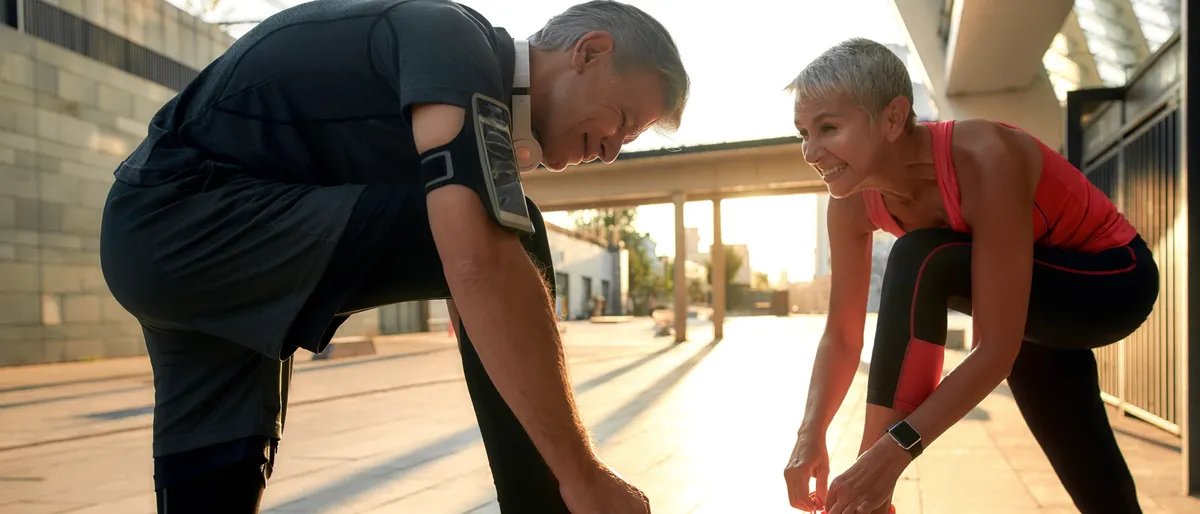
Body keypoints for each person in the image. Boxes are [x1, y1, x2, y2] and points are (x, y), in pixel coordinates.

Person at [98, 1, 689, 512]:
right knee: (511, 231)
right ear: (588, 51)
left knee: (214, 473)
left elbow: (475, 293)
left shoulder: (459, 94)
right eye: (625, 122)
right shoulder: (454, 40)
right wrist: (581, 477)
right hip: (189, 215)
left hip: (167, 235)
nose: (612, 152)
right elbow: (478, 264)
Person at [780, 38, 1157, 514]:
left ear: (894, 118)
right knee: (1101, 493)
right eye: (802, 134)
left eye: (828, 128)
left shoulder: (985, 155)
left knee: (921, 254)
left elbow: (995, 349)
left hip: (1112, 280)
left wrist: (887, 458)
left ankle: (868, 499)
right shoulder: (849, 201)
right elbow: (841, 334)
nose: (812, 151)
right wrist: (809, 434)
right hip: (1028, 306)